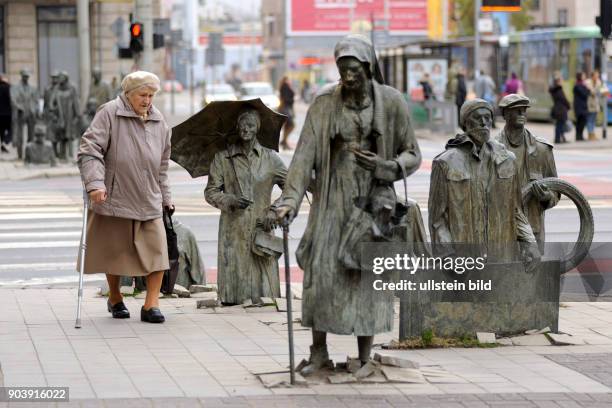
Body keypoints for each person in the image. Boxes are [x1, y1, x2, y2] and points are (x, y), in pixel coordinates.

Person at [275, 34, 422, 374]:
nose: (348, 76)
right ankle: (318, 351)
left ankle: (366, 356)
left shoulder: (391, 102)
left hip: (371, 199)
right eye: (343, 70)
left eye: (354, 69)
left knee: (366, 275)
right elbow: (304, 155)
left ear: (368, 68)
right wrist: (290, 202)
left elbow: (412, 153)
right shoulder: (326, 102)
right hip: (331, 198)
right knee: (321, 271)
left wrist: (388, 167)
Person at [77, 70, 173, 324]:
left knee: (157, 253)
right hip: (115, 196)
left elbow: (162, 166)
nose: (148, 100)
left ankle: (151, 304)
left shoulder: (159, 120)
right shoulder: (109, 113)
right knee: (115, 253)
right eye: (143, 94)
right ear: (128, 94)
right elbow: (90, 150)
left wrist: (166, 197)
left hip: (148, 197)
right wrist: (95, 183)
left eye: (151, 95)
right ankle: (116, 297)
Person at [429, 99, 540, 267]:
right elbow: (437, 219)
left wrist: (529, 241)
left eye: (487, 118)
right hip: (464, 258)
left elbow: (516, 210)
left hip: (502, 256)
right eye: (477, 117)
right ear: (465, 123)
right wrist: (447, 255)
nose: (483, 123)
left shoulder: (507, 160)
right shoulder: (446, 163)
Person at [205, 109, 286, 305]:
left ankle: (264, 299)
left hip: (261, 227)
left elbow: (291, 189)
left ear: (257, 128)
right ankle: (233, 299)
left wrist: (274, 211)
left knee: (265, 296)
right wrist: (230, 199)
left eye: (250, 125)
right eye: (242, 125)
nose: (245, 129)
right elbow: (210, 192)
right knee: (235, 292)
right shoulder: (223, 158)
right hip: (233, 230)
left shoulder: (271, 159)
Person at [497, 94, 559, 252]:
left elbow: (556, 191)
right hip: (502, 228)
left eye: (524, 110)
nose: (521, 114)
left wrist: (546, 197)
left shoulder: (542, 150)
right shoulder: (492, 149)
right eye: (516, 110)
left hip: (533, 227)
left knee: (534, 273)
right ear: (505, 114)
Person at [49, 72, 81, 161]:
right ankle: (62, 156)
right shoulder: (56, 88)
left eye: (61, 77)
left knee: (69, 136)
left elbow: (75, 102)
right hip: (60, 116)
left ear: (66, 78)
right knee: (61, 137)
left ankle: (71, 155)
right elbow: (51, 103)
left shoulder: (72, 88)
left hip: (70, 116)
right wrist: (53, 112)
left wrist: (77, 115)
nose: (59, 79)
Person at [11, 69, 38, 159]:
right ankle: (19, 155)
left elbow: (35, 101)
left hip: (30, 113)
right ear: (21, 76)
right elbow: (13, 100)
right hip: (20, 114)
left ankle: (29, 155)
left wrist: (34, 110)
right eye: (25, 76)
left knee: (31, 135)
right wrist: (20, 107)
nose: (26, 78)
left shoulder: (32, 88)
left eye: (27, 76)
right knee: (19, 136)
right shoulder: (15, 87)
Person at [549, 75, 570, 144]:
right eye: (561, 81)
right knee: (559, 125)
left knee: (560, 125)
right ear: (558, 82)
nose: (562, 82)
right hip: (561, 109)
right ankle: (557, 139)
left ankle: (561, 138)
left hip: (557, 109)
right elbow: (563, 99)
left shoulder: (555, 90)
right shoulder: (559, 90)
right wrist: (568, 105)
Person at [585, 70, 605, 141]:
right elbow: (591, 92)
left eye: (598, 75)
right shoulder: (587, 82)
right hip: (589, 104)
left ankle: (592, 134)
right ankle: (590, 134)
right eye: (596, 75)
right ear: (592, 76)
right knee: (589, 120)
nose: (597, 77)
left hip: (596, 104)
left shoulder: (598, 82)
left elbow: (602, 91)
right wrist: (596, 90)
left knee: (593, 120)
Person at [278, 76, 295, 150]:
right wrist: (291, 100)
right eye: (288, 80)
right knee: (291, 125)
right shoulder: (285, 87)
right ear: (285, 80)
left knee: (287, 126)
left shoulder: (285, 87)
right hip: (285, 109)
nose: (289, 81)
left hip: (286, 109)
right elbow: (286, 98)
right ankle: (284, 141)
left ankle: (284, 142)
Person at [573, 72, 590, 142]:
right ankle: (578, 136)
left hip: (582, 106)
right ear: (580, 77)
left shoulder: (581, 85)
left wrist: (586, 88)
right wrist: (587, 88)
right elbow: (585, 94)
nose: (584, 77)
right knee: (580, 121)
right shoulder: (578, 85)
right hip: (579, 106)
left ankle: (580, 136)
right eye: (583, 76)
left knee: (582, 122)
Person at [0, 73, 11, 153]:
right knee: (11, 129)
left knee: (2, 130)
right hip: (7, 113)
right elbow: (11, 99)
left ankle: (3, 143)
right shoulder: (8, 87)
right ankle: (6, 141)